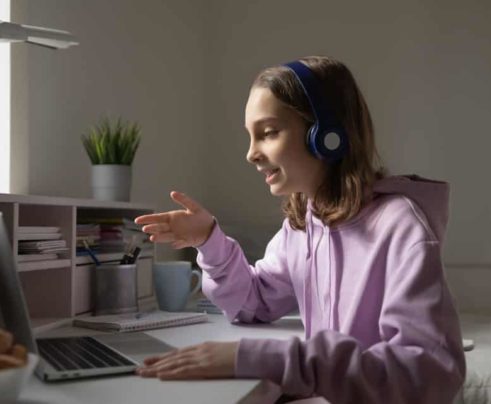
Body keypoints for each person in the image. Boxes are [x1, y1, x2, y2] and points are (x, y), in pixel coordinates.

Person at [134, 55, 466, 403]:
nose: (251, 154)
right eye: (250, 137)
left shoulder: (400, 226)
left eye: (269, 133)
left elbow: (427, 373)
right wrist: (208, 240)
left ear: (327, 136)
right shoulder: (304, 227)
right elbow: (255, 302)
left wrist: (266, 360)